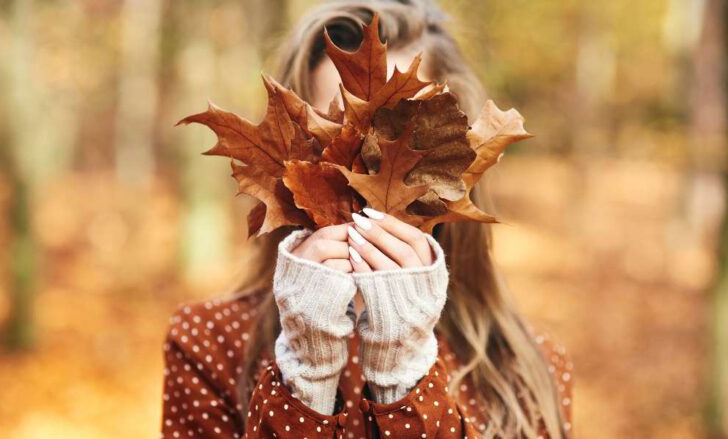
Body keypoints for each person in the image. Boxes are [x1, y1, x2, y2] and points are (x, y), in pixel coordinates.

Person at [161, 1, 573, 437]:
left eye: (397, 142)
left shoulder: (528, 370)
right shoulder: (210, 343)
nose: (364, 177)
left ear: (457, 158)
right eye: (332, 138)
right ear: (286, 162)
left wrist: (405, 382)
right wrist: (307, 378)